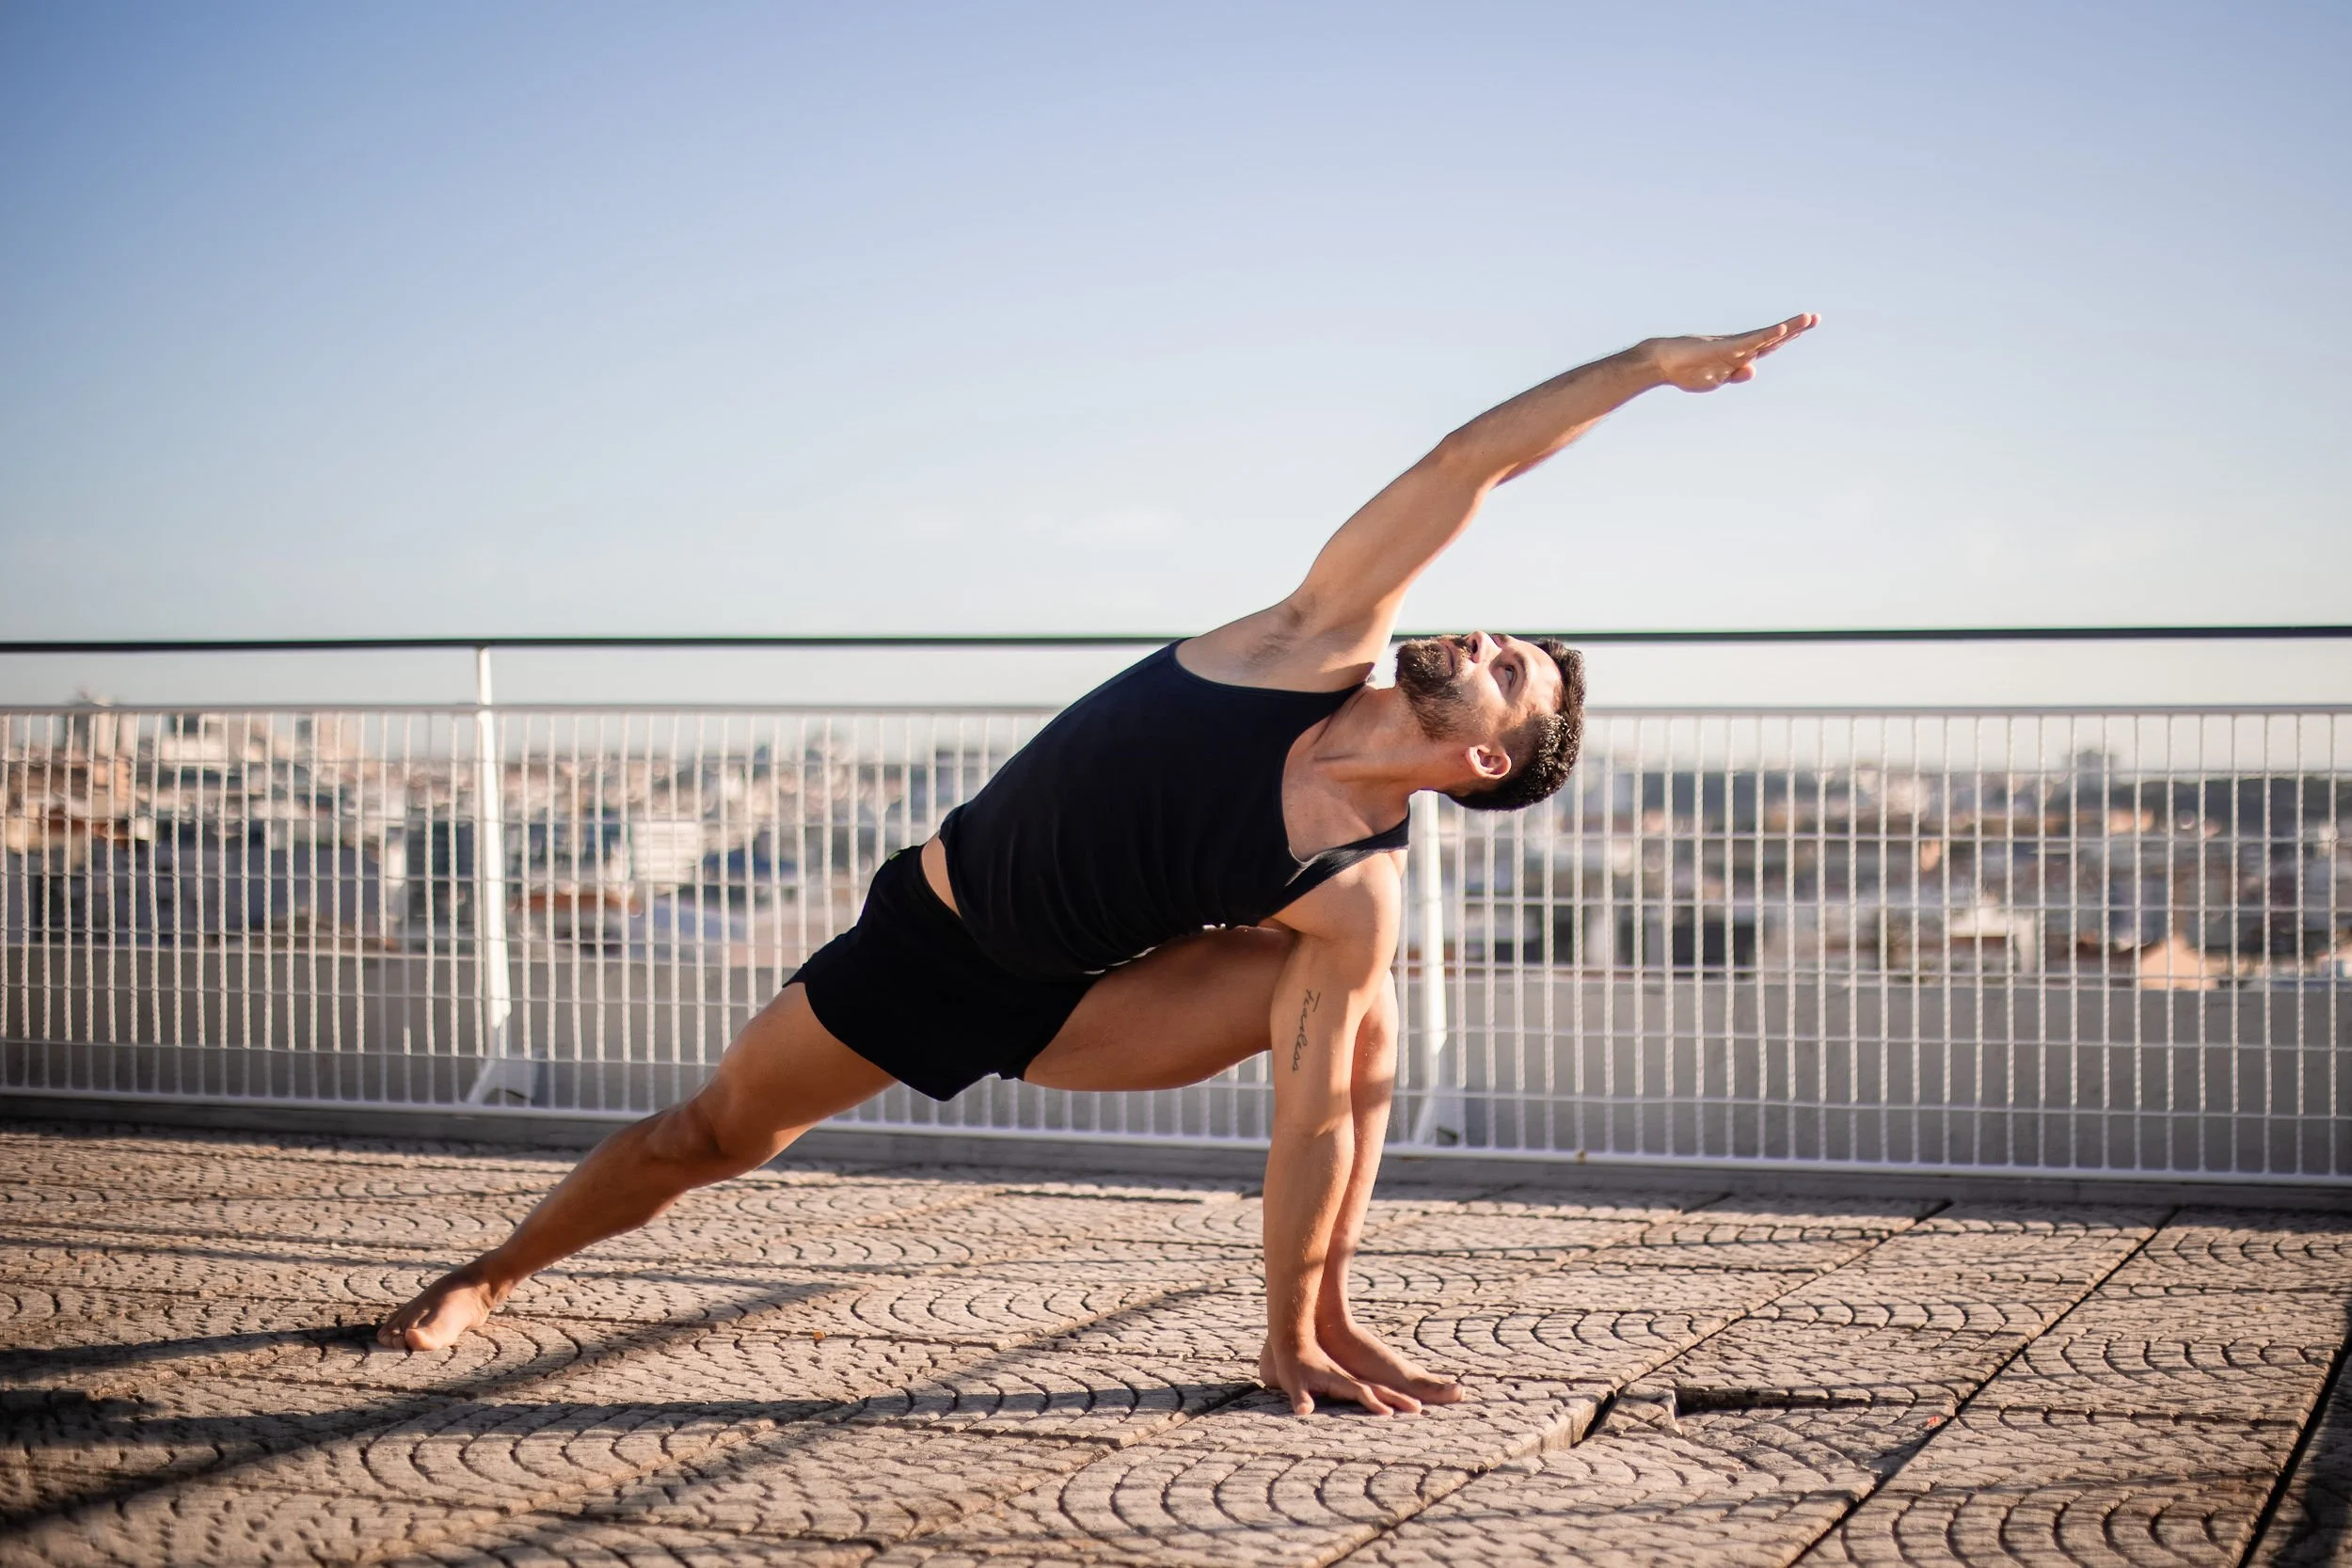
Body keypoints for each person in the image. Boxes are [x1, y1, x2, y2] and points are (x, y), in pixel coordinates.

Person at [377, 314, 1817, 1416]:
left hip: (1077, 1006)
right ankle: (483, 1277)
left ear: (1484, 760)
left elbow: (1316, 1120)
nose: (1486, 639)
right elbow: (1467, 467)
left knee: (1352, 1008)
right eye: (1503, 635)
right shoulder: (1308, 639)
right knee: (708, 1134)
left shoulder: (1350, 880)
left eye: (1509, 671)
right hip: (927, 941)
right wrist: (1648, 364)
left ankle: (1320, 1322)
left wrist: (1282, 1322)